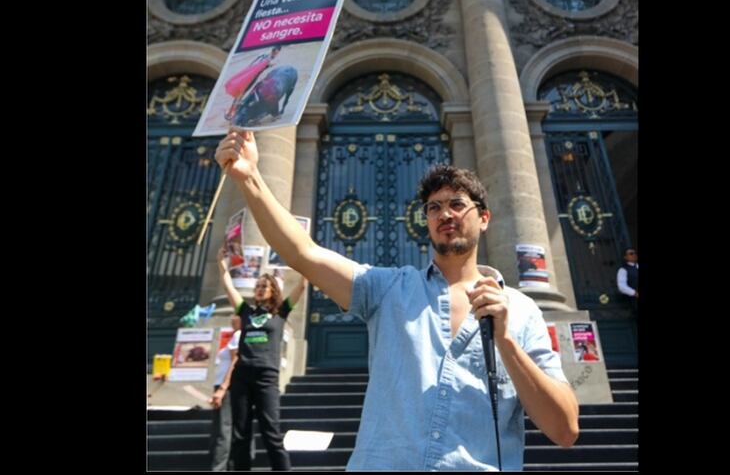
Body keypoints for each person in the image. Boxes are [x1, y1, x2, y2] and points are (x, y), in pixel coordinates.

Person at [215, 128, 579, 471]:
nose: (445, 214)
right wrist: (250, 178)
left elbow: (564, 429)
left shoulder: (521, 310)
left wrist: (506, 343)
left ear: (483, 217)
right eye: (433, 208)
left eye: (456, 203)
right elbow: (304, 253)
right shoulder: (388, 290)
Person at [218, 249, 307, 471]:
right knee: (241, 434)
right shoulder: (245, 311)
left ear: (273, 290)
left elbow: (302, 286)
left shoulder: (281, 312)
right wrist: (222, 264)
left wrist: (303, 259)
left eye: (263, 287)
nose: (258, 290)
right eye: (257, 287)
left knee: (271, 433)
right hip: (242, 376)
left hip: (266, 377)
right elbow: (228, 286)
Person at [209, 314, 242, 471]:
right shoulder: (235, 335)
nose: (231, 317)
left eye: (235, 314)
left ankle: (219, 467)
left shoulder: (238, 334)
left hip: (226, 386)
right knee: (225, 428)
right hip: (224, 385)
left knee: (223, 428)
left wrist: (223, 388)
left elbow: (235, 361)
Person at [224, 45, 282, 122]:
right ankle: (233, 112)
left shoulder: (263, 55)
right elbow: (259, 67)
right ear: (275, 51)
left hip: (248, 75)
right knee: (242, 93)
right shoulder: (267, 58)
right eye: (276, 53)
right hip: (251, 77)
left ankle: (232, 112)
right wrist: (268, 65)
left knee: (241, 93)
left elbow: (253, 65)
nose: (276, 54)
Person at [616, 248, 639, 314]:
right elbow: (622, 286)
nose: (634, 255)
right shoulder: (623, 270)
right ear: (625, 257)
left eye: (635, 253)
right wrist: (635, 293)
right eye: (631, 254)